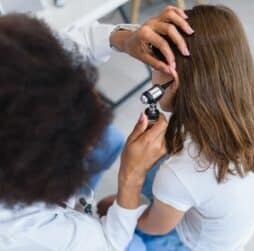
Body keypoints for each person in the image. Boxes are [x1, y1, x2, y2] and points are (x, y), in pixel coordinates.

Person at [0, 6, 194, 251]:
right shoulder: (22, 232)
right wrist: (130, 178)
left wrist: (123, 38)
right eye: (82, 143)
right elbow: (109, 245)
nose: (91, 143)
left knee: (111, 141)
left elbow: (58, 48)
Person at [99, 5, 254, 251]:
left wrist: (126, 201)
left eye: (153, 67)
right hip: (232, 230)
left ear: (171, 81)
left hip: (192, 243)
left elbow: (154, 226)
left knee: (113, 233)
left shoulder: (182, 173)